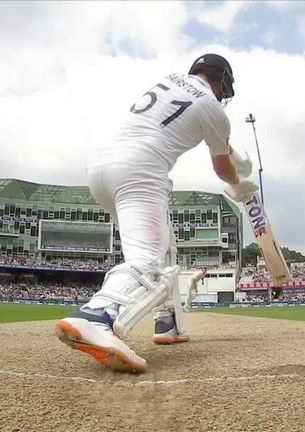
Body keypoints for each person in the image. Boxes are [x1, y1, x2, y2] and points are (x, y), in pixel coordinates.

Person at [54, 54, 258, 373]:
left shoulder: (171, 82)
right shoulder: (213, 107)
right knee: (148, 257)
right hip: (140, 169)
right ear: (223, 81)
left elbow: (206, 135)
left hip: (100, 168)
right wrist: (238, 184)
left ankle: (168, 323)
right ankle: (95, 315)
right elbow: (223, 168)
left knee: (165, 249)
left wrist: (231, 155)